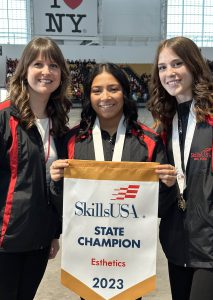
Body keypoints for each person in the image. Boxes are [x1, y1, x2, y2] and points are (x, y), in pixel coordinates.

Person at [50, 63, 177, 300]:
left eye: (113, 89)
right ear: (88, 96)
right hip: (88, 257)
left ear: (125, 93)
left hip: (130, 260)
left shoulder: (149, 142)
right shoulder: (70, 141)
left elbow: (158, 209)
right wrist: (57, 183)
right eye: (97, 90)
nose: (105, 97)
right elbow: (64, 207)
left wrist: (169, 187)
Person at [0, 37, 71, 299]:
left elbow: (53, 185)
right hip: (5, 240)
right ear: (24, 70)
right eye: (38, 64)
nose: (46, 71)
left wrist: (54, 233)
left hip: (39, 239)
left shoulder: (59, 122)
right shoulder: (4, 117)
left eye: (53, 65)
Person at [147, 36, 213, 300]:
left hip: (209, 248)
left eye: (177, 63)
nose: (169, 73)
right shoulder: (164, 124)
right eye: (162, 67)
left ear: (194, 65)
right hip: (177, 244)